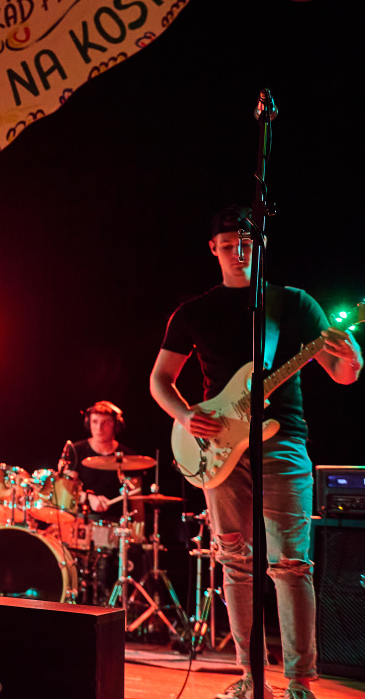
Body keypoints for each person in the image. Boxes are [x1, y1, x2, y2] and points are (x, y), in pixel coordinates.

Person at [149, 207, 361, 699]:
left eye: (245, 244)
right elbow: (159, 380)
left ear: (258, 246)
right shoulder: (193, 312)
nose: (237, 252)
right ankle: (250, 677)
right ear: (213, 249)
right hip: (218, 447)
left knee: (291, 564)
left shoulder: (293, 303)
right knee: (234, 561)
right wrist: (185, 416)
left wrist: (354, 358)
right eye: (227, 244)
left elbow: (341, 375)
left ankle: (299, 681)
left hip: (282, 441)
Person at [66, 401, 141, 518]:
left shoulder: (129, 456)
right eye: (95, 422)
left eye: (106, 423)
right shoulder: (76, 450)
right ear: (88, 423)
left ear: (116, 425)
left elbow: (136, 502)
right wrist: (88, 498)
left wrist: (139, 527)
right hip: (81, 520)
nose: (99, 428)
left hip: (117, 522)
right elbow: (66, 491)